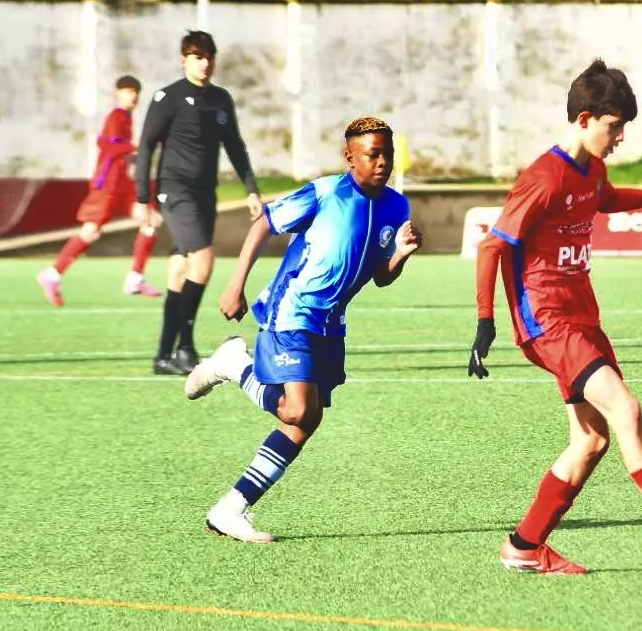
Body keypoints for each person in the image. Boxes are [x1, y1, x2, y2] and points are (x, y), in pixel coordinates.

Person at [468, 59, 642, 575]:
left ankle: (524, 545)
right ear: (584, 119)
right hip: (548, 322)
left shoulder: (590, 170)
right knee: (627, 411)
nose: (620, 136)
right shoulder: (543, 178)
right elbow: (493, 246)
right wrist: (486, 321)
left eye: (623, 126)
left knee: (591, 440)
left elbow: (606, 200)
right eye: (614, 126)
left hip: (582, 319)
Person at [181, 116, 422, 542]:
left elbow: (381, 277)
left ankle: (230, 509)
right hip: (291, 312)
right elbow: (263, 225)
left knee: (304, 422)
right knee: (297, 410)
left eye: (387, 153)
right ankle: (235, 365)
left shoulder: (397, 206)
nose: (383, 162)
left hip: (331, 324)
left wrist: (400, 253)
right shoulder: (327, 192)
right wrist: (235, 284)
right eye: (373, 154)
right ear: (351, 158)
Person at [133, 31, 264, 376]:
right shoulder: (169, 97)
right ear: (184, 60)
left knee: (180, 269)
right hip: (175, 191)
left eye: (208, 57)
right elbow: (146, 145)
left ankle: (163, 355)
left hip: (206, 193)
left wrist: (251, 189)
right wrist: (142, 198)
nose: (203, 64)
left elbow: (234, 145)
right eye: (196, 57)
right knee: (204, 259)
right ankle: (185, 346)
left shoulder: (221, 99)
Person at [37, 76, 164, 305]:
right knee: (91, 231)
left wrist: (134, 155)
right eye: (127, 91)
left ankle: (135, 278)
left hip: (122, 184)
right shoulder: (116, 116)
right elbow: (106, 145)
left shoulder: (126, 117)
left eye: (135, 91)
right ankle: (52, 274)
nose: (132, 96)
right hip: (107, 185)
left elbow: (118, 149)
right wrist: (135, 146)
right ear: (118, 94)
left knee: (151, 220)